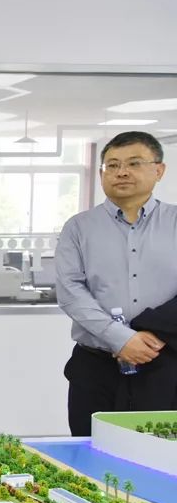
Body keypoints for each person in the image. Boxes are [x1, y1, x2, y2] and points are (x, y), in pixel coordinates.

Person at [56, 130, 177, 436]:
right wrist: (121, 339)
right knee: (90, 450)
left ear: (159, 170)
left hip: (164, 364)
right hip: (96, 368)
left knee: (161, 454)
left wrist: (151, 334)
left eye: (134, 163)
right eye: (112, 165)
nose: (121, 172)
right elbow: (71, 292)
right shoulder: (78, 228)